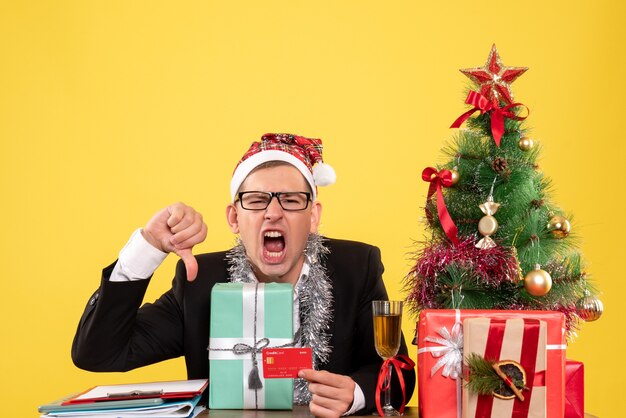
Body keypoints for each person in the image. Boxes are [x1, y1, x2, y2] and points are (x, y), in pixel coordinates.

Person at [72, 133, 415, 417]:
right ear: (234, 218)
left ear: (313, 217)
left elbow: (398, 372)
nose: (273, 213)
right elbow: (99, 353)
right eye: (256, 200)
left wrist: (355, 393)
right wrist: (147, 247)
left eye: (292, 200)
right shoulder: (200, 281)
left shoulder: (356, 266)